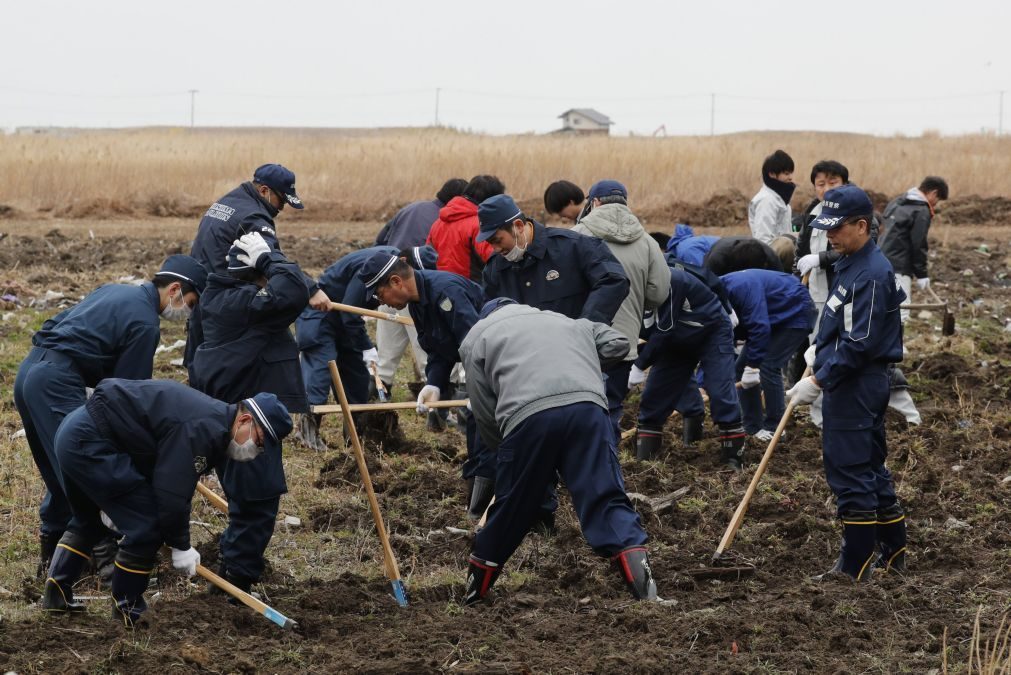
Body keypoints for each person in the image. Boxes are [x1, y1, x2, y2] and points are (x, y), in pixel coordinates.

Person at [14, 255, 207, 580]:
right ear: (174, 289)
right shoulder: (146, 324)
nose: (188, 311)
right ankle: (106, 564)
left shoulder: (115, 291)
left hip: (30, 372)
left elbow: (63, 328)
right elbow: (129, 399)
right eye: (190, 302)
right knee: (81, 469)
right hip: (57, 382)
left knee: (58, 473)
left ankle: (51, 562)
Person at [42, 379, 292, 626]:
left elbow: (165, 473)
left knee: (89, 520)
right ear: (245, 420)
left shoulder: (212, 421)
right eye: (259, 441)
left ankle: (56, 593)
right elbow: (170, 492)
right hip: (91, 444)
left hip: (75, 435)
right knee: (147, 526)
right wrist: (180, 544)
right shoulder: (205, 429)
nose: (256, 450)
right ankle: (129, 611)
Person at [459, 299, 657, 604]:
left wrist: (506, 453)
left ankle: (473, 593)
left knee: (512, 506)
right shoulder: (570, 321)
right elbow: (619, 344)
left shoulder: (478, 335)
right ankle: (647, 594)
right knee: (605, 496)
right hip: (588, 409)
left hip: (527, 417)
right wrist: (577, 361)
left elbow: (483, 411)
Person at [786, 184, 907, 582]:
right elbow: (841, 326)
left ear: (861, 225)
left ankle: (853, 566)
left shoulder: (871, 274)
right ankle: (894, 551)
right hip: (851, 380)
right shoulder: (848, 263)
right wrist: (817, 350)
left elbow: (860, 344)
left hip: (856, 384)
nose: (829, 236)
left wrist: (818, 380)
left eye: (836, 229)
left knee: (850, 471)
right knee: (869, 466)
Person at [190, 232, 310, 594]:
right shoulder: (242, 303)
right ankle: (234, 583)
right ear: (252, 273)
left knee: (248, 501)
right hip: (247, 420)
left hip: (237, 410)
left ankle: (233, 576)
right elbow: (295, 290)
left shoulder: (221, 296)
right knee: (255, 503)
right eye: (263, 274)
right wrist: (270, 260)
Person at [357, 251, 489, 518]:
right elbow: (440, 349)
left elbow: (480, 345)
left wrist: (484, 387)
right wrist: (435, 384)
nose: (382, 302)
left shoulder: (446, 292)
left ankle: (496, 510)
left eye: (381, 295)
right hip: (482, 372)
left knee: (489, 438)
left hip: (497, 369)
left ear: (396, 282)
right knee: (478, 440)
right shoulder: (417, 302)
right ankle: (477, 510)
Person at [187, 164, 330, 372]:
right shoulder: (253, 216)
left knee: (203, 366)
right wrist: (310, 288)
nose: (281, 209)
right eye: (281, 201)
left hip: (204, 293)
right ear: (264, 190)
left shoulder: (226, 202)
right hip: (226, 303)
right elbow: (271, 259)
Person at [570, 180, 669, 442]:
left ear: (595, 202)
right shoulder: (646, 241)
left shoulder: (577, 235)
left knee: (578, 405)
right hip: (622, 343)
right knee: (611, 406)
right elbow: (659, 293)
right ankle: (608, 465)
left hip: (581, 339)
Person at [632, 264, 745, 470]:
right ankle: (644, 464)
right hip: (675, 341)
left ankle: (733, 461)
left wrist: (639, 366)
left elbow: (664, 329)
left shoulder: (672, 280)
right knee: (654, 396)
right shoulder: (628, 287)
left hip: (710, 332)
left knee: (720, 390)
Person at [294, 245, 401, 450]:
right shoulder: (375, 267)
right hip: (322, 310)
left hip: (345, 317)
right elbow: (350, 312)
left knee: (356, 375)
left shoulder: (393, 264)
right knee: (322, 367)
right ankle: (307, 431)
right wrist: (367, 346)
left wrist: (362, 347)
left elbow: (351, 316)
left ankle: (355, 436)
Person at [479, 194, 629, 326]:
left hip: (574, 351)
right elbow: (490, 313)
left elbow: (613, 279)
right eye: (490, 243)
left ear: (518, 226)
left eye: (498, 241)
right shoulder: (495, 269)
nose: (496, 249)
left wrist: (587, 326)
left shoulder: (572, 246)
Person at [374, 179, 465, 388]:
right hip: (414, 292)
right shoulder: (445, 222)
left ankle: (376, 403)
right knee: (428, 355)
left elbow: (379, 242)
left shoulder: (410, 209)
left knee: (384, 360)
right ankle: (436, 409)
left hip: (385, 288)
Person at [721, 269, 815, 441]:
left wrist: (753, 366)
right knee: (740, 368)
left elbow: (759, 327)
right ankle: (753, 427)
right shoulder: (712, 299)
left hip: (795, 313)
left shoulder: (741, 287)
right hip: (771, 316)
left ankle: (775, 428)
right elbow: (720, 344)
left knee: (767, 365)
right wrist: (704, 382)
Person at [879, 176, 949, 322]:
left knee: (881, 307)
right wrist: (922, 274)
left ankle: (879, 343)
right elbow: (918, 244)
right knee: (901, 312)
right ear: (933, 193)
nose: (936, 204)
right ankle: (895, 345)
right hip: (899, 267)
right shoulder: (921, 210)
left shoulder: (896, 202)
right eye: (938, 199)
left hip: (879, 261)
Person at [427, 175, 506, 282]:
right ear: (492, 201)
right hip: (472, 292)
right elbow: (496, 261)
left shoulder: (437, 224)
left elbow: (427, 258)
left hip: (440, 289)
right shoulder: (479, 225)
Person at [374, 178, 468, 250]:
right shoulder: (445, 221)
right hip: (414, 272)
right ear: (460, 200)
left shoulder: (410, 207)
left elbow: (380, 241)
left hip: (390, 263)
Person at [748, 149, 796, 245]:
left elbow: (784, 234)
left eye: (791, 173)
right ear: (772, 174)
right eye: (786, 174)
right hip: (772, 257)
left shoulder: (779, 199)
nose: (790, 177)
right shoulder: (767, 201)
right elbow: (763, 240)